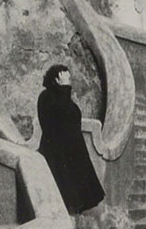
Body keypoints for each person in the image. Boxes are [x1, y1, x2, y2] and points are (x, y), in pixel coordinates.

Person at [37, 64, 105, 214]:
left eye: (69, 77)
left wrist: (65, 90)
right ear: (56, 79)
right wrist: (65, 89)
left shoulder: (65, 97)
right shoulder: (46, 97)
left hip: (73, 151)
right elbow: (58, 114)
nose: (69, 80)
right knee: (64, 195)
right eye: (65, 77)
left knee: (78, 196)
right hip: (58, 153)